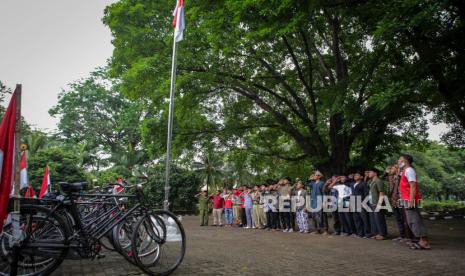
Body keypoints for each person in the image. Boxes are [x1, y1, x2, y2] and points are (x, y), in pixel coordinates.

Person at [398, 154, 431, 250]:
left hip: (410, 199)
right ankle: (422, 240)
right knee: (411, 221)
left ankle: (424, 242)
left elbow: (413, 186)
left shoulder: (409, 170)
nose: (398, 161)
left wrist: (411, 200)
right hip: (406, 199)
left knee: (415, 220)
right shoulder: (404, 171)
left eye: (400, 159)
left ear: (405, 161)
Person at [386, 165, 407, 241]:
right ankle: (402, 235)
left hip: (401, 199)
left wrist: (398, 173)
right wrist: (387, 172)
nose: (390, 169)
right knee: (398, 218)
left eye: (392, 168)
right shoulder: (391, 178)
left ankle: (407, 236)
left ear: (397, 169)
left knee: (403, 218)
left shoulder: (401, 177)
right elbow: (383, 177)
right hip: (394, 200)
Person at [367, 168, 387, 240]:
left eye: (370, 172)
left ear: (375, 173)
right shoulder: (371, 181)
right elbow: (367, 183)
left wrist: (379, 203)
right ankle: (377, 233)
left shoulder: (378, 181)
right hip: (371, 202)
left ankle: (382, 234)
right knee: (374, 219)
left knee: (379, 218)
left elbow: (381, 193)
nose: (368, 173)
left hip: (377, 202)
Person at [352, 172, 371, 238]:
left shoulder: (363, 184)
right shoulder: (353, 184)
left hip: (362, 203)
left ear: (361, 177)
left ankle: (367, 233)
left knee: (364, 219)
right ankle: (360, 233)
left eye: (357, 175)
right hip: (354, 203)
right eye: (355, 175)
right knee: (357, 219)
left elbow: (366, 193)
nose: (355, 176)